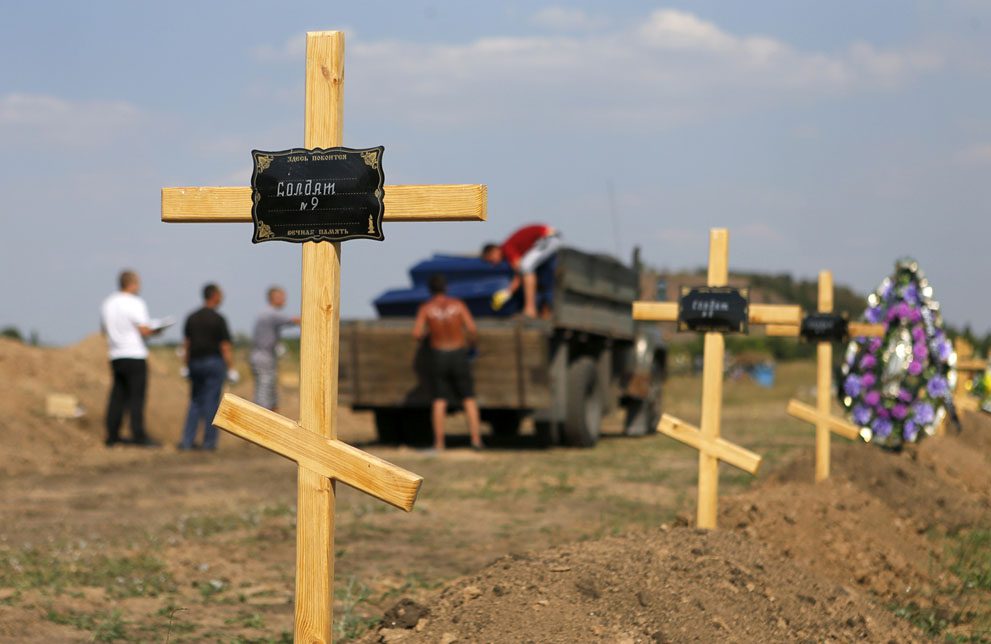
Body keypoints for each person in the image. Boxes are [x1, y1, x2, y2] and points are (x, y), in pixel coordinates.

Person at [412, 274, 483, 451]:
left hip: (439, 355)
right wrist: (472, 346)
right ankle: (476, 440)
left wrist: (430, 333)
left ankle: (439, 443)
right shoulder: (458, 305)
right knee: (468, 398)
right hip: (458, 353)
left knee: (439, 400)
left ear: (430, 290)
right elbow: (472, 329)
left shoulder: (426, 308)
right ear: (446, 288)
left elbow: (417, 333)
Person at [100, 270, 163, 447]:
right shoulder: (135, 303)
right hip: (134, 354)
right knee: (136, 397)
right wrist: (157, 330)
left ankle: (112, 435)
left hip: (116, 355)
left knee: (117, 395)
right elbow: (144, 330)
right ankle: (138, 435)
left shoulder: (108, 303)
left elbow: (104, 328)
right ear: (132, 283)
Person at [179, 283, 236, 451]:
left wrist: (185, 365)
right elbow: (225, 346)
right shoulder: (218, 319)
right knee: (211, 402)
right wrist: (231, 368)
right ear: (214, 296)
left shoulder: (192, 317)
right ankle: (209, 443)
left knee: (195, 401)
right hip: (213, 363)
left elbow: (187, 344)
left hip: (195, 363)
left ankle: (187, 441)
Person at [481, 224, 561, 318]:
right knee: (532, 271)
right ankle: (543, 312)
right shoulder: (509, 249)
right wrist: (508, 292)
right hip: (548, 238)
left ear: (494, 251)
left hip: (548, 237)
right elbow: (520, 274)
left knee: (526, 266)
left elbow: (520, 273)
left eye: (491, 260)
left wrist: (507, 292)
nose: (493, 264)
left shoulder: (507, 248)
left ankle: (530, 310)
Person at [250, 286, 300, 411]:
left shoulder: (266, 313)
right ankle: (261, 419)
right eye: (282, 297)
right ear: (274, 298)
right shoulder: (271, 313)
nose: (284, 300)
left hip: (263, 356)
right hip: (264, 357)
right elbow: (295, 320)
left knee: (268, 391)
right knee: (264, 393)